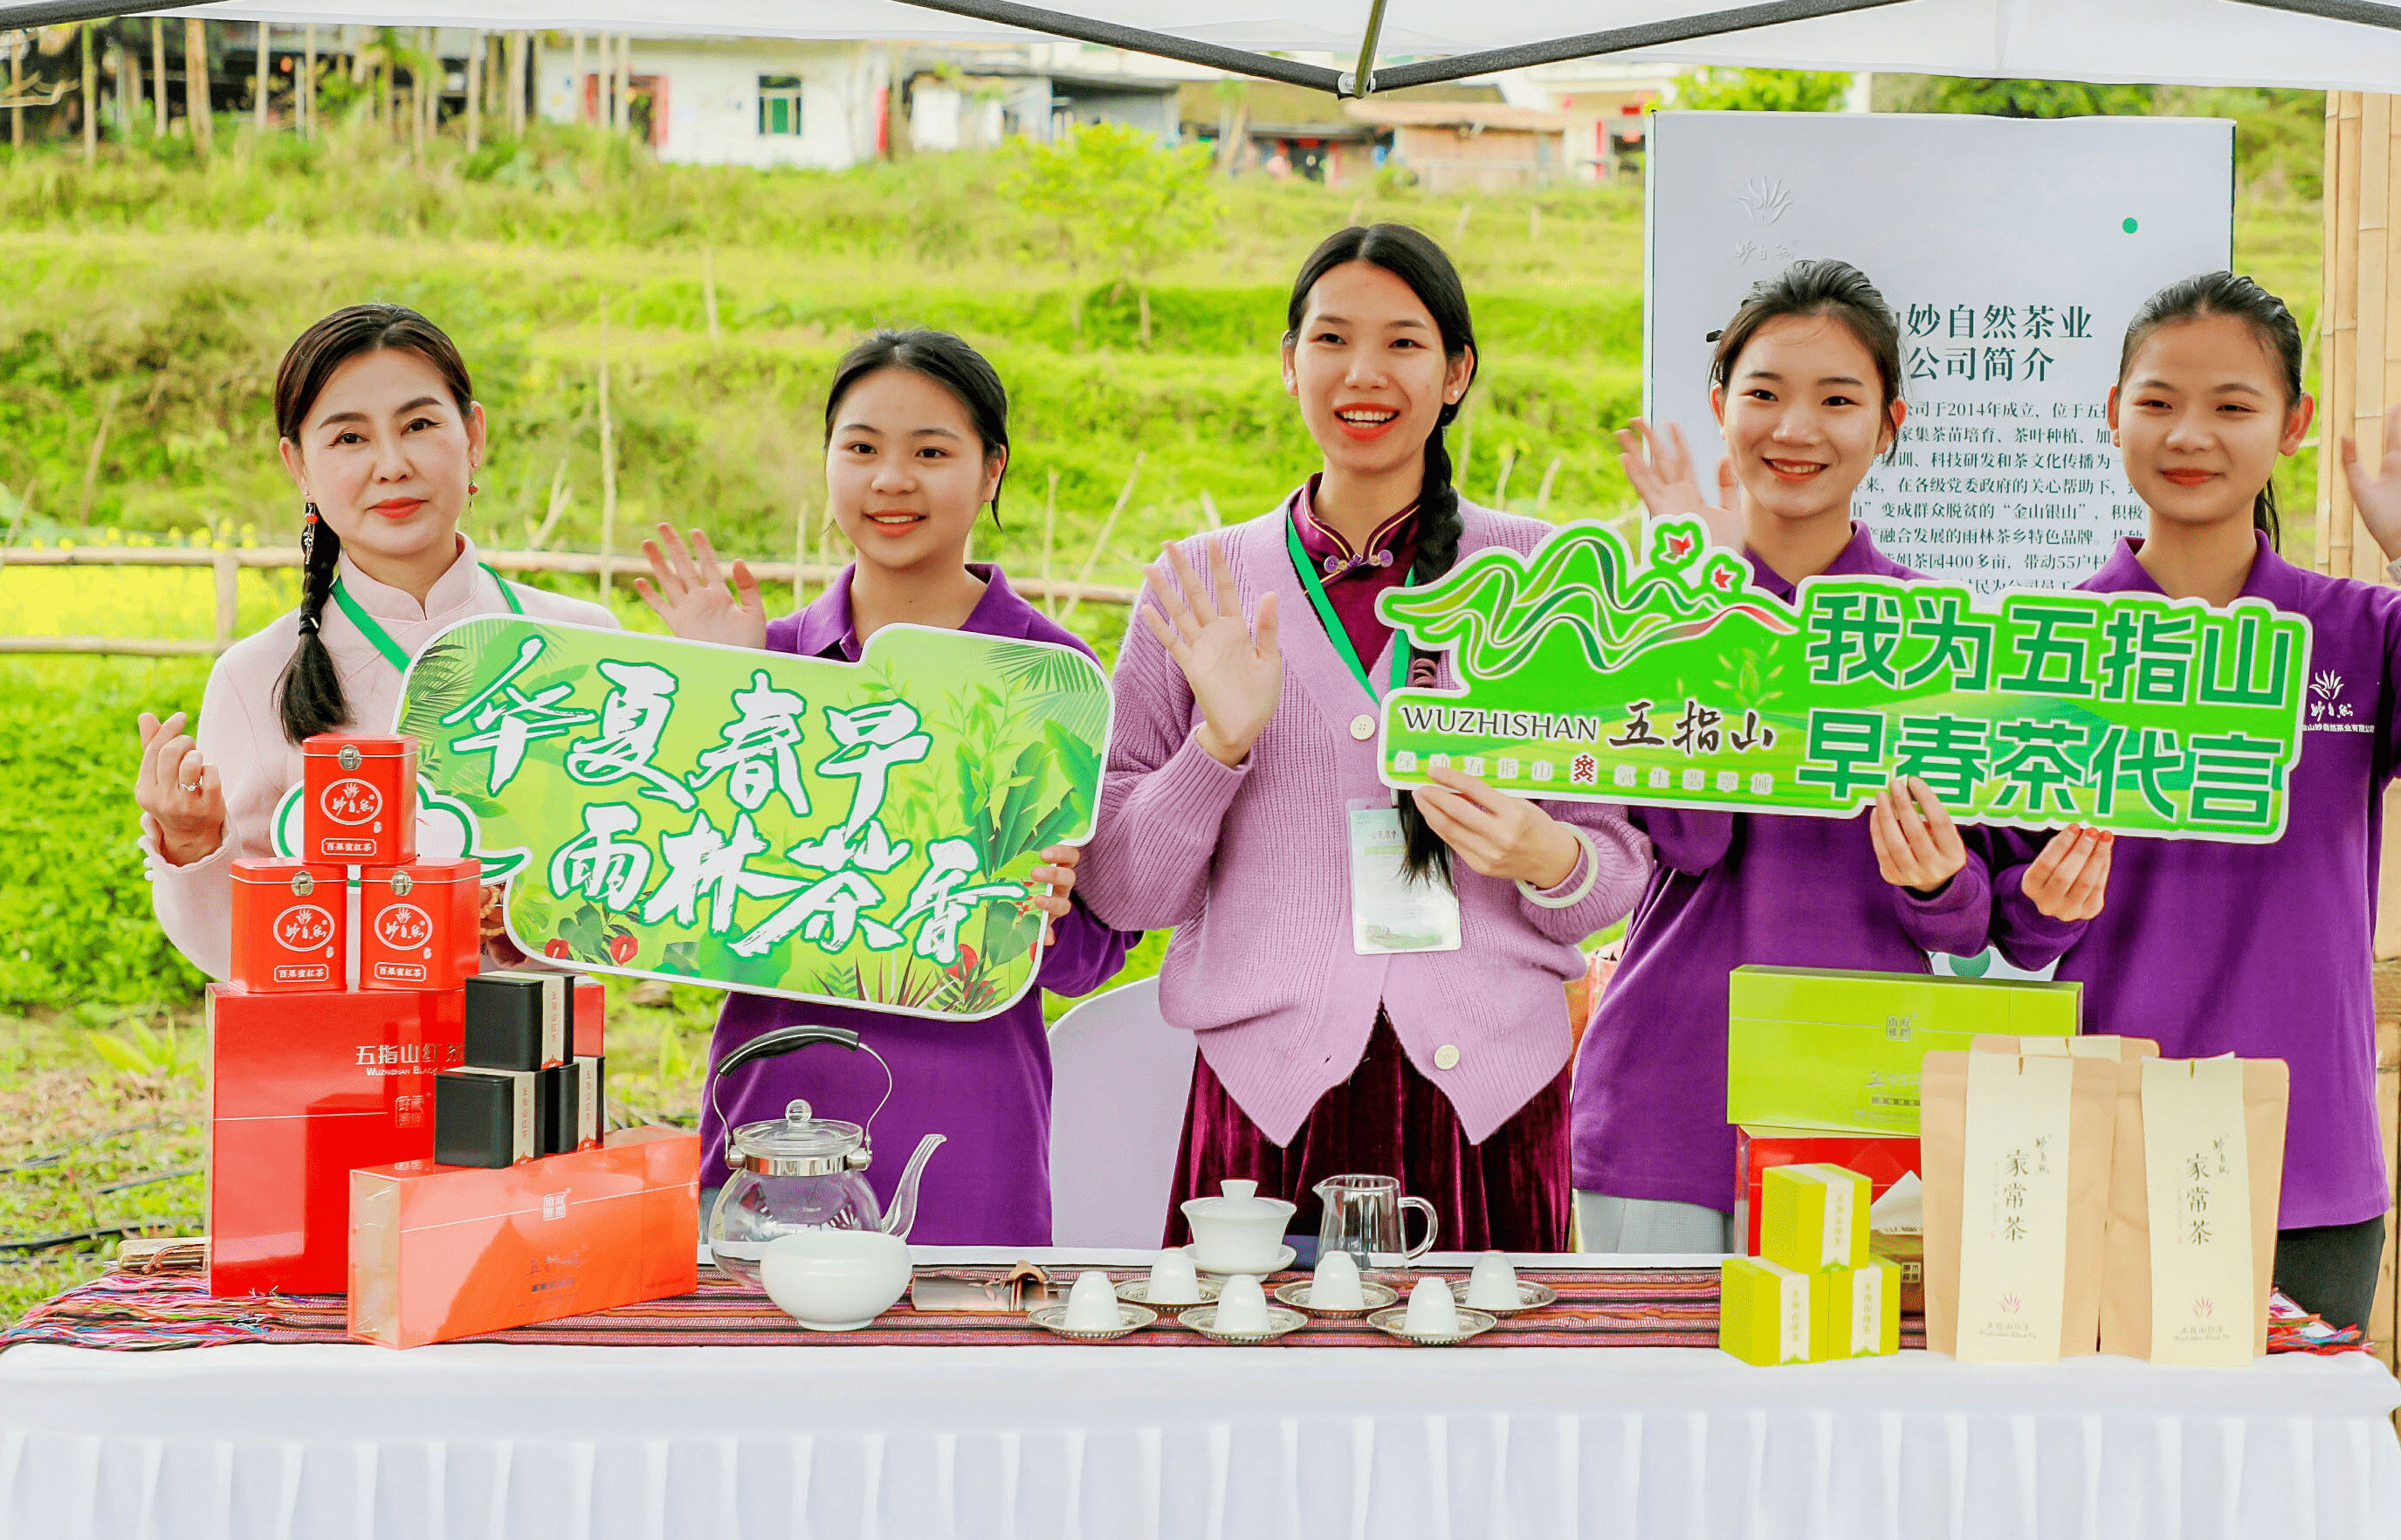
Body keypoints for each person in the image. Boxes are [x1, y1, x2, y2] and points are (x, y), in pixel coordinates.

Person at [1989, 271, 2401, 1330]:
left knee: (2275, 1481)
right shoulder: (2051, 643)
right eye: (2157, 401)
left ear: (2291, 425)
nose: (2189, 434)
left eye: (2232, 405)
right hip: (2105, 1145)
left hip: (2308, 1162)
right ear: (2110, 412)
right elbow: (2011, 923)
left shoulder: (2358, 630)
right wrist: (2042, 903)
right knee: (2117, 1476)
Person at [1078, 223, 1649, 1254]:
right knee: (1256, 1409)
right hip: (1266, 1106)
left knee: (1483, 1412)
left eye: (1403, 342)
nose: (1363, 373)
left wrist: (1542, 853)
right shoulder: (1198, 583)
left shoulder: (1552, 574)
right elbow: (1123, 891)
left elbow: (1616, 878)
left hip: (1487, 1103)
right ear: (1289, 361)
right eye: (1331, 339)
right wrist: (1216, 748)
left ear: (1456, 372)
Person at [1572, 260, 2112, 1253]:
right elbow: (1685, 839)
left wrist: (1946, 883)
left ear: (1887, 420)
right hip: (1666, 1091)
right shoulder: (1653, 611)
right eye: (1765, 393)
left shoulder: (1940, 638)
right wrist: (1702, 602)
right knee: (1651, 1403)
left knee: (1842, 1403)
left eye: (1836, 399)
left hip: (1860, 1101)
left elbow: (1989, 931)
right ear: (1718, 404)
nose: (1795, 428)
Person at [637, 327, 1104, 1247]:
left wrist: (1045, 913)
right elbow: (670, 916)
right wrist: (714, 693)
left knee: (963, 1375)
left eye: (930, 451)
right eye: (860, 449)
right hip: (776, 1110)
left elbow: (1090, 955)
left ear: (991, 469)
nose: (891, 480)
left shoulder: (1050, 675)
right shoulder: (763, 661)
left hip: (971, 1120)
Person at [133, 303, 617, 973]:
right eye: (349, 439)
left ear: (473, 436)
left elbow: (642, 895)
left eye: (419, 424)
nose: (391, 464)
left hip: (537, 1062)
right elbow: (234, 951)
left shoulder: (585, 642)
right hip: (346, 1068)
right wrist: (190, 842)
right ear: (298, 465)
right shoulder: (255, 676)